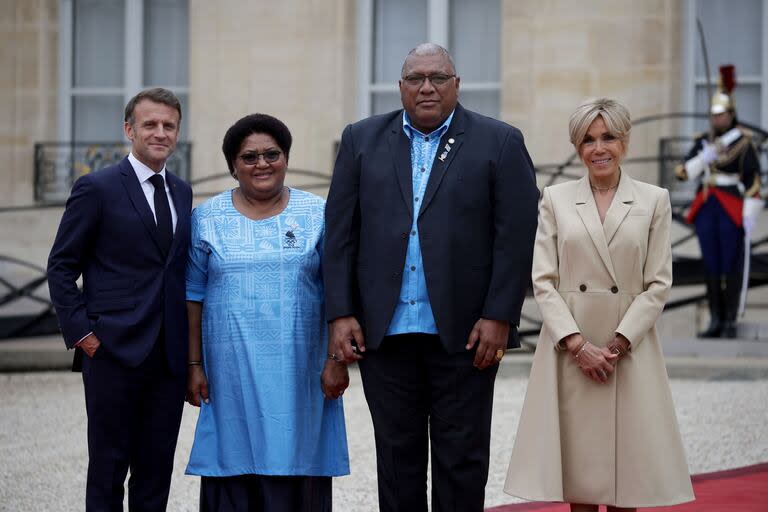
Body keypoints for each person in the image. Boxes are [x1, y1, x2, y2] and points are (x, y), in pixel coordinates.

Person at [323, 43, 539, 512]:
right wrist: (340, 313)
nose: (426, 87)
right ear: (400, 87)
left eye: (438, 78)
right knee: (397, 463)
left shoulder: (499, 141)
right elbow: (339, 234)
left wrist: (500, 315)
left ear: (456, 85)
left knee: (461, 461)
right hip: (385, 333)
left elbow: (516, 238)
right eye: (415, 78)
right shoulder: (360, 140)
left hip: (467, 336)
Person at [504, 98, 695, 511]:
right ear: (577, 147)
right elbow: (543, 280)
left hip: (628, 348)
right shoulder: (555, 199)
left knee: (630, 475)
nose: (599, 148)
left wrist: (620, 342)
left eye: (608, 136)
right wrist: (577, 344)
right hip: (571, 349)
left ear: (625, 140)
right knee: (583, 476)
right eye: (588, 140)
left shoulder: (654, 199)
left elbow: (658, 283)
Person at [185, 113, 350, 512]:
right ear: (232, 166)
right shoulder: (206, 218)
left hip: (301, 375)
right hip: (230, 376)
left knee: (298, 467)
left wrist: (335, 359)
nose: (262, 164)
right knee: (234, 466)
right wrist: (193, 364)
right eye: (249, 157)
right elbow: (192, 294)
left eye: (272, 154)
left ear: (286, 158)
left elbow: (338, 293)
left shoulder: (318, 214)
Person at [47, 88, 192, 511]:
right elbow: (60, 266)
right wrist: (83, 335)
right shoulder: (97, 188)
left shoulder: (181, 192)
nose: (160, 132)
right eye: (150, 124)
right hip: (112, 351)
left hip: (167, 357)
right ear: (129, 130)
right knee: (108, 468)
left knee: (155, 471)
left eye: (169, 125)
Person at [675, 65, 762, 338]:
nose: (718, 119)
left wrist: (750, 213)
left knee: (730, 263)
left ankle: (729, 321)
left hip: (731, 205)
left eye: (722, 114)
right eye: (714, 115)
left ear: (731, 114)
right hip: (707, 205)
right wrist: (705, 158)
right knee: (711, 263)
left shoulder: (744, 142)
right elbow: (682, 172)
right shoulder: (703, 142)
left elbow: (753, 179)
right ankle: (715, 319)